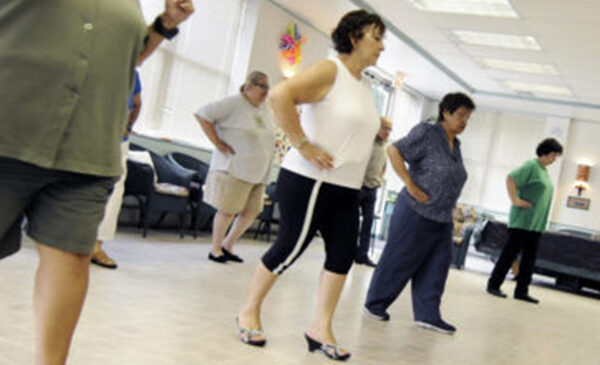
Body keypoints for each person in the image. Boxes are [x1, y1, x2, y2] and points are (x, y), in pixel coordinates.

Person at [0, 1, 194, 364]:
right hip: (10, 130)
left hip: (87, 145)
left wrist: (166, 24)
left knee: (72, 258)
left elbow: (128, 59)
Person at [236, 10, 385, 361]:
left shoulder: (363, 85)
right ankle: (248, 311)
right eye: (376, 37)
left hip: (346, 187)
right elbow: (279, 96)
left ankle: (320, 328)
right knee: (290, 248)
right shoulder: (329, 69)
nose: (381, 46)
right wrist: (302, 143)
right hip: (311, 180)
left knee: (342, 255)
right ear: (354, 38)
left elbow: (344, 118)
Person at [363, 92, 475, 335]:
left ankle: (428, 315)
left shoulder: (456, 144)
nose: (464, 121)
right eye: (461, 115)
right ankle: (375, 304)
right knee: (399, 259)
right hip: (415, 211)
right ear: (445, 112)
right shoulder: (427, 133)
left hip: (442, 217)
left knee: (437, 266)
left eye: (468, 117)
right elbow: (394, 150)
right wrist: (411, 185)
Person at [194, 71, 275, 264]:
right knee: (228, 210)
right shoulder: (234, 103)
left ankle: (228, 245)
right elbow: (202, 114)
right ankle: (215, 249)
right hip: (235, 168)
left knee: (252, 211)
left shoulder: (263, 109)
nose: (266, 91)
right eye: (262, 86)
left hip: (258, 171)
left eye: (268, 87)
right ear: (249, 86)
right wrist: (218, 144)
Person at [486, 138, 563, 304]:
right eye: (553, 156)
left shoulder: (543, 170)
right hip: (522, 221)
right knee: (509, 255)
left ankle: (522, 291)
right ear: (545, 154)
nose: (554, 160)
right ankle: (493, 285)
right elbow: (511, 178)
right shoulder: (531, 166)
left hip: (535, 223)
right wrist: (515, 200)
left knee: (529, 258)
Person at [91, 71, 143, 269]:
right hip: (88, 134)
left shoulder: (131, 73)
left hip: (116, 139)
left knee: (112, 194)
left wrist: (128, 126)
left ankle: (96, 246)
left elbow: (137, 103)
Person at [355, 117, 392, 267]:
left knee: (368, 223)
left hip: (372, 190)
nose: (387, 132)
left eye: (390, 129)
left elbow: (384, 166)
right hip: (358, 188)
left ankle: (362, 255)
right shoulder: (365, 142)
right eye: (385, 128)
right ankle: (348, 252)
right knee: (351, 222)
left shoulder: (386, 147)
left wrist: (379, 179)